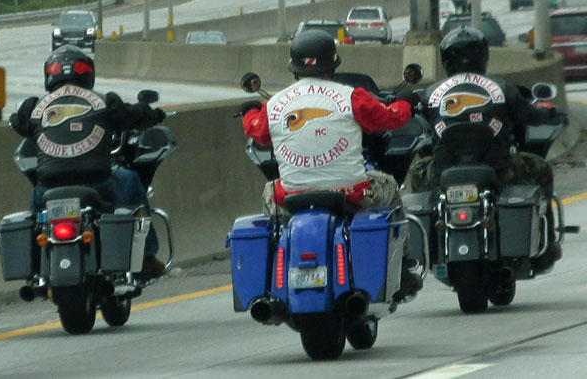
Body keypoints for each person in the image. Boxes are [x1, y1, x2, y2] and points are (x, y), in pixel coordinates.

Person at [239, 29, 422, 301]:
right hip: (351, 193)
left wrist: (249, 112)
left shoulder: (275, 103)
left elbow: (258, 132)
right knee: (390, 185)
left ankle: (269, 271)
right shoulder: (352, 96)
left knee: (269, 191)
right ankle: (405, 265)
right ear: (332, 65)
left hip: (291, 196)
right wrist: (406, 103)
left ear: (294, 69)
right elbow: (390, 118)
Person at [409, 26, 563, 271]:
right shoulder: (502, 89)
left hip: (444, 171)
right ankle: (550, 242)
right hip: (498, 168)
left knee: (416, 174)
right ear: (483, 56)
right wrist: (548, 111)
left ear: (446, 58)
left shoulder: (430, 95)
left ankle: (414, 248)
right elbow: (530, 116)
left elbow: (417, 121)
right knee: (542, 169)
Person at [10, 45, 167, 277]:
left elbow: (17, 122)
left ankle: (35, 266)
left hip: (49, 186)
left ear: (49, 75)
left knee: (35, 216)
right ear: (87, 74)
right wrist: (152, 114)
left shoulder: (34, 108)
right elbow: (133, 116)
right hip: (98, 181)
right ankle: (146, 256)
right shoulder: (104, 101)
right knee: (131, 180)